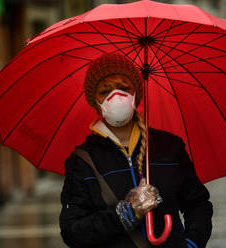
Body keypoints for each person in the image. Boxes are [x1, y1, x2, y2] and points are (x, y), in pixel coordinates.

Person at [59, 53, 213, 248]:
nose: (115, 96)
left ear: (136, 94)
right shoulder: (82, 161)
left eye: (124, 88)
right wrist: (126, 214)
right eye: (105, 91)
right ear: (95, 102)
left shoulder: (169, 147)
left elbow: (198, 205)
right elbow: (73, 232)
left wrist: (191, 244)